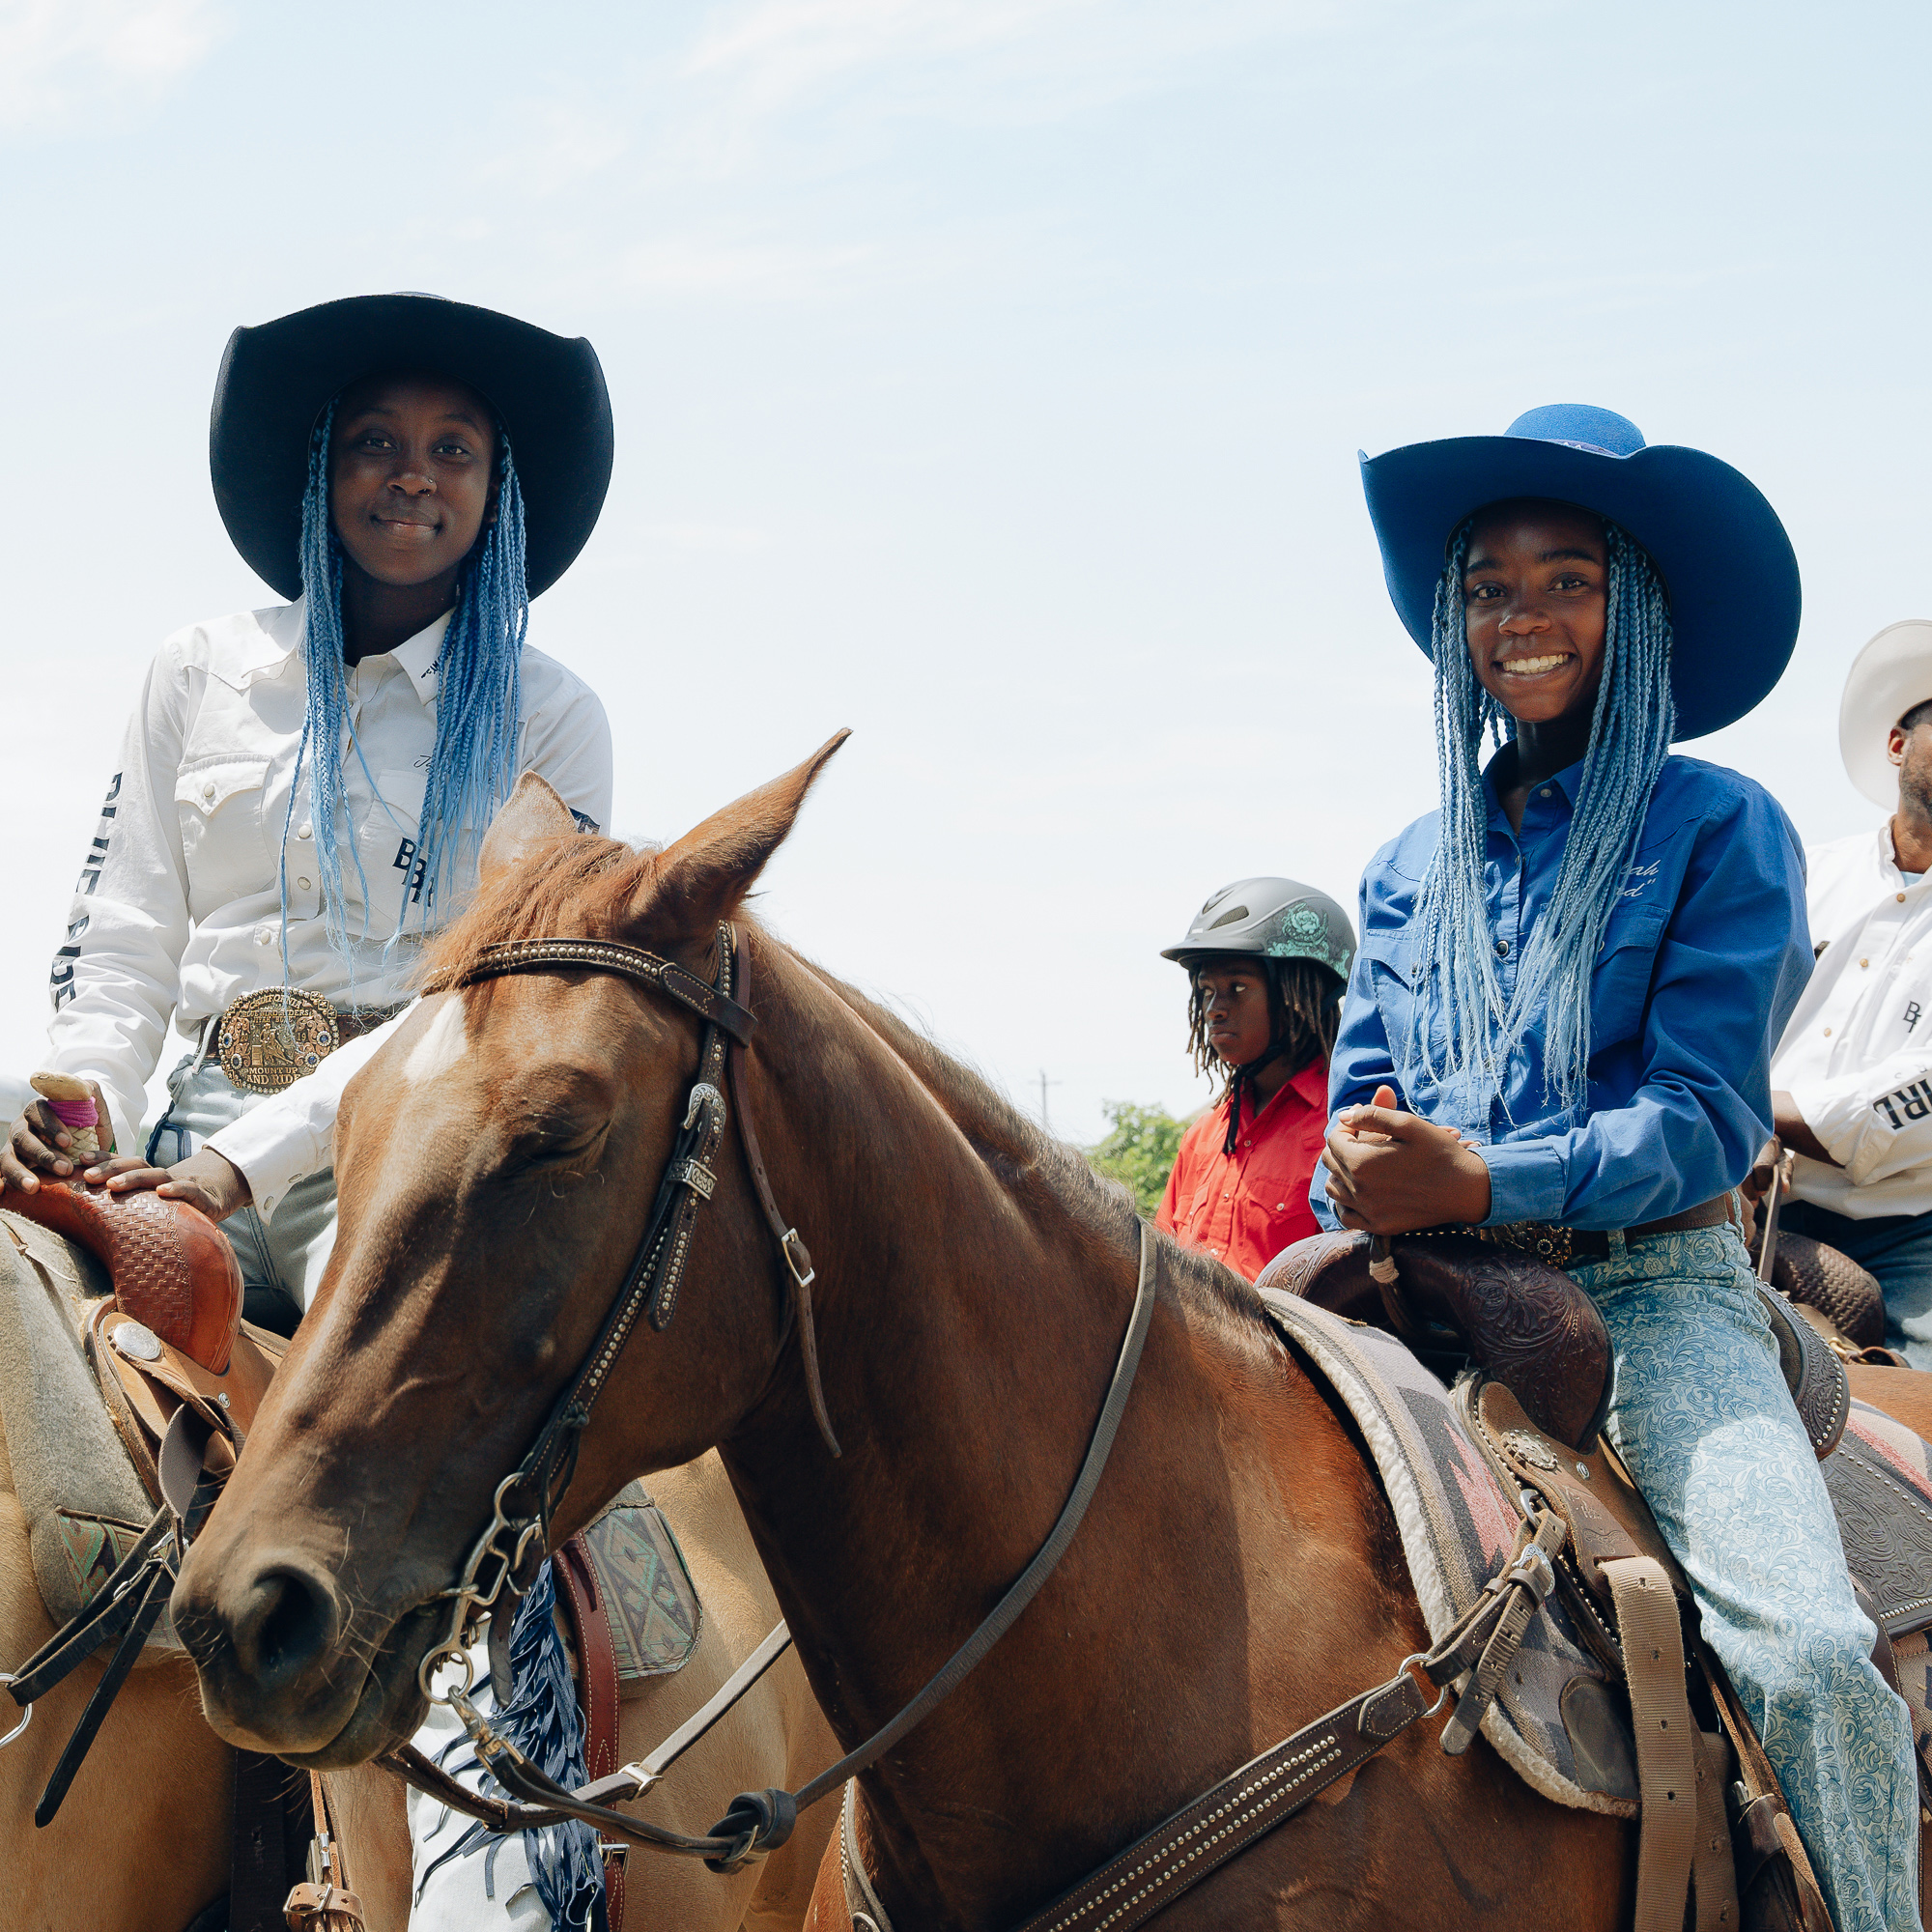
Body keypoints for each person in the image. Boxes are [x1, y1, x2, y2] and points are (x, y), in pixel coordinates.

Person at [0, 292, 617, 1930]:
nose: (410, 479)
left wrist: (228, 1167)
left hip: (412, 1137)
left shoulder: (553, 716)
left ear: (498, 490)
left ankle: (477, 1863)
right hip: (176, 1108)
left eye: (452, 452)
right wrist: (68, 1110)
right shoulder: (196, 675)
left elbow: (476, 997)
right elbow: (119, 938)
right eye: (375, 446)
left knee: (441, 1434)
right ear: (317, 470)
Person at [1314, 404, 1918, 1931]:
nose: (1523, 615)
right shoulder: (1402, 866)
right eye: (1491, 585)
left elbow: (1708, 1120)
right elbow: (1363, 1100)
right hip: (1406, 1290)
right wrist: (1364, 1161)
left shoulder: (1722, 825)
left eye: (1566, 578)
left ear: (1633, 607)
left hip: (1652, 1300)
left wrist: (1482, 1183)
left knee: (1802, 1654)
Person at [1769, 619, 1932, 1367]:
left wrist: (1743, 1114)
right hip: (1746, 1199)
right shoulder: (1801, 874)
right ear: (1898, 742)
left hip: (1907, 1234)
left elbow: (1914, 1097)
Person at [1154, 877, 1354, 1276]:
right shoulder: (1203, 1138)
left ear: (1301, 994)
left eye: (1238, 987)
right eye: (1207, 990)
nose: (1214, 1008)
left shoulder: (1343, 1129)